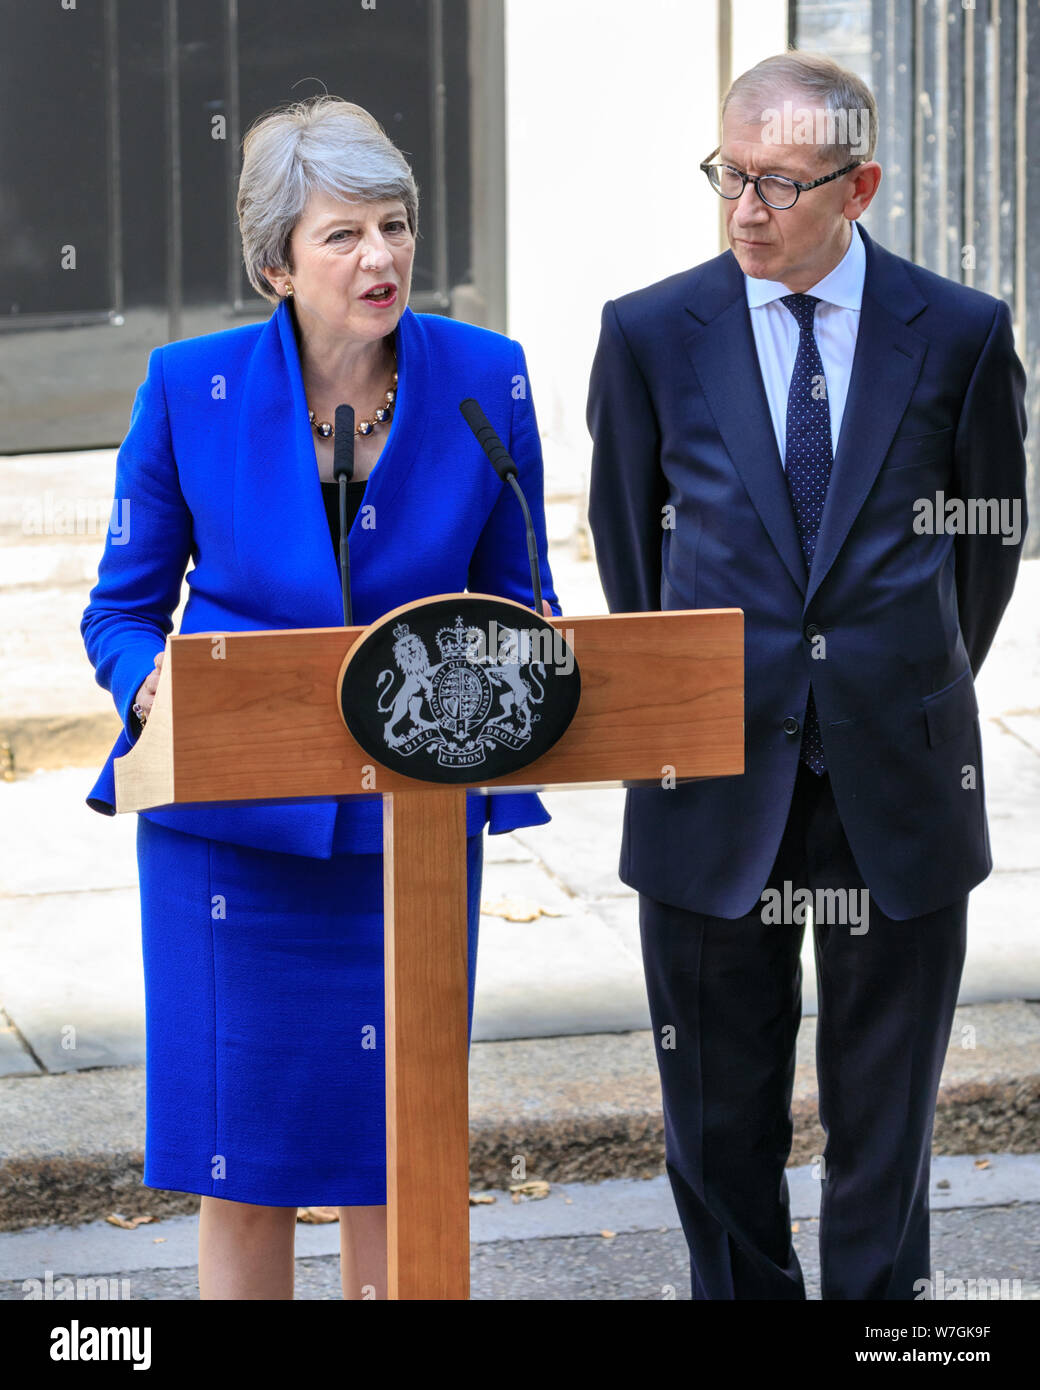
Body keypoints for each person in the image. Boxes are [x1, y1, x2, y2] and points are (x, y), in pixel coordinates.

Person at [81, 95, 559, 1300]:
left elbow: (520, 602)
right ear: (273, 263)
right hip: (232, 831)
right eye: (342, 235)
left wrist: (525, 654)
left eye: (393, 226)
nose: (381, 257)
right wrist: (165, 694)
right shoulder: (188, 389)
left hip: (409, 831)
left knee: (390, 1155)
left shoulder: (483, 380)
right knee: (242, 1168)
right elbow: (120, 612)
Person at [586, 51, 1027, 1300]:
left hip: (894, 781)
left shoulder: (957, 332)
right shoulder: (648, 333)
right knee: (719, 1125)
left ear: (861, 185)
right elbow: (633, 553)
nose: (743, 212)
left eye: (779, 186)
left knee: (882, 1134)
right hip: (710, 778)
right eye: (728, 177)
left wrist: (892, 687)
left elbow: (983, 551)